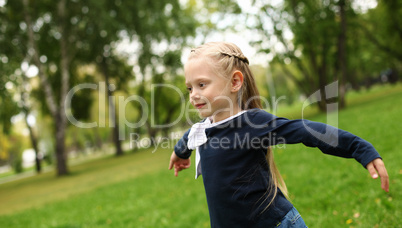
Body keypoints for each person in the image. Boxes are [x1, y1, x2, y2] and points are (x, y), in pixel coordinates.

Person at [168, 42, 389, 228]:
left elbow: (307, 131)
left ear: (235, 82)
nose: (193, 95)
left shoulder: (253, 122)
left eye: (202, 85)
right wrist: (180, 153)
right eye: (189, 88)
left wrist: (361, 149)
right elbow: (189, 138)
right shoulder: (203, 128)